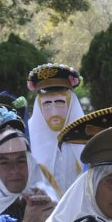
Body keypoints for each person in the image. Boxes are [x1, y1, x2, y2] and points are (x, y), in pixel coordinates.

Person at [26, 63, 86, 192]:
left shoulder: (88, 138)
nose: (54, 113)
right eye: (47, 104)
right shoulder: (25, 139)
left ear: (71, 105)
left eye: (60, 103)